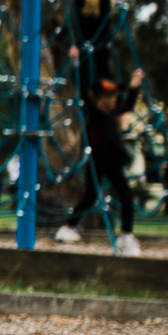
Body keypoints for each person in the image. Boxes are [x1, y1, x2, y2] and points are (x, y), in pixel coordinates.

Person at [54, 71, 144, 254]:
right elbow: (82, 87)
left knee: (126, 196)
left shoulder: (113, 111)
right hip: (98, 160)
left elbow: (127, 104)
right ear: (95, 100)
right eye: (104, 102)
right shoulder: (93, 112)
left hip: (114, 160)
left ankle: (126, 236)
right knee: (91, 196)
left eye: (111, 101)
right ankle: (68, 228)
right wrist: (76, 63)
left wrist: (134, 85)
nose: (108, 105)